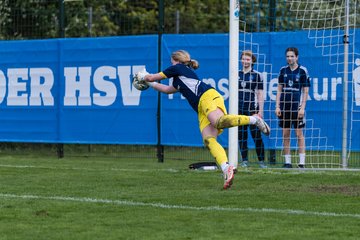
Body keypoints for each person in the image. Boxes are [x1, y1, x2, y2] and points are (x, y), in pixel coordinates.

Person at [137, 49, 270, 189]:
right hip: (201, 107)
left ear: (176, 60)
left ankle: (254, 119)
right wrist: (150, 84)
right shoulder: (178, 78)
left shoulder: (177, 68)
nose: (171, 63)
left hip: (207, 96)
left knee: (218, 121)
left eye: (171, 61)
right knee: (209, 140)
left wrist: (143, 76)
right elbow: (166, 89)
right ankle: (226, 168)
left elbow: (152, 77)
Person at [275, 47, 310, 168]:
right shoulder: (283, 70)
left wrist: (302, 108)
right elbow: (279, 90)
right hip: (284, 107)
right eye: (287, 56)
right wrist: (277, 106)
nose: (289, 58)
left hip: (297, 107)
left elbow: (305, 91)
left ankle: (301, 163)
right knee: (285, 134)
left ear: (297, 57)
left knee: (299, 134)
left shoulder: (302, 71)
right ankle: (288, 162)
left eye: (292, 56)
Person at [238, 50, 267, 168]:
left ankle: (261, 161)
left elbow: (260, 94)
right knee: (241, 135)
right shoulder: (236, 73)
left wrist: (260, 111)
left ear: (252, 61)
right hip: (239, 109)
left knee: (256, 136)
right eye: (243, 59)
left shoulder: (257, 75)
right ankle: (244, 160)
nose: (245, 61)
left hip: (252, 109)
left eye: (247, 59)